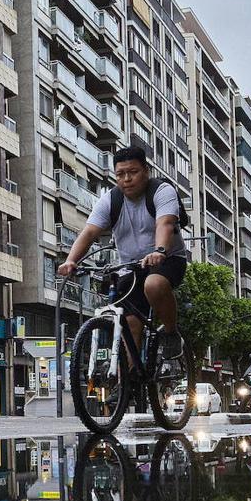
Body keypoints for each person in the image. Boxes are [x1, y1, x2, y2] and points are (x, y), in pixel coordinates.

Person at [57, 145, 189, 358]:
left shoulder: (162, 191)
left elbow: (165, 223)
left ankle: (171, 333)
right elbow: (89, 232)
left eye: (133, 172)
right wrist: (71, 260)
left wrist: (160, 250)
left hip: (167, 260)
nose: (127, 178)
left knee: (154, 284)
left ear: (146, 171)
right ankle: (127, 385)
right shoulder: (111, 200)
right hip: (131, 268)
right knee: (128, 324)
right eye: (120, 174)